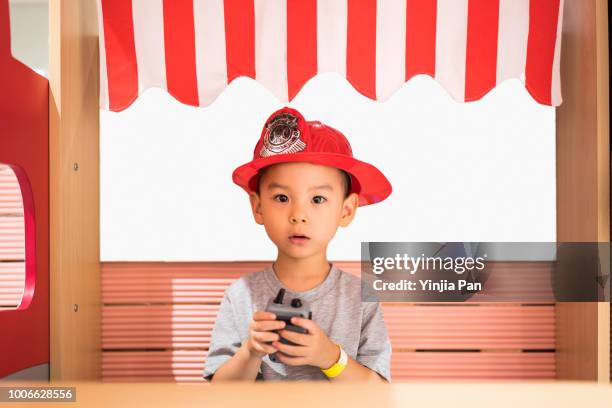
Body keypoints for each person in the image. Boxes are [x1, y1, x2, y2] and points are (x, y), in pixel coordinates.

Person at [203, 107, 393, 382]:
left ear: (346, 210)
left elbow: (378, 393)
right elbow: (220, 392)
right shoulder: (241, 294)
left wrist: (330, 357)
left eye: (317, 200)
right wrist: (251, 351)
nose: (298, 215)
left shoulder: (361, 298)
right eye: (281, 198)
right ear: (258, 207)